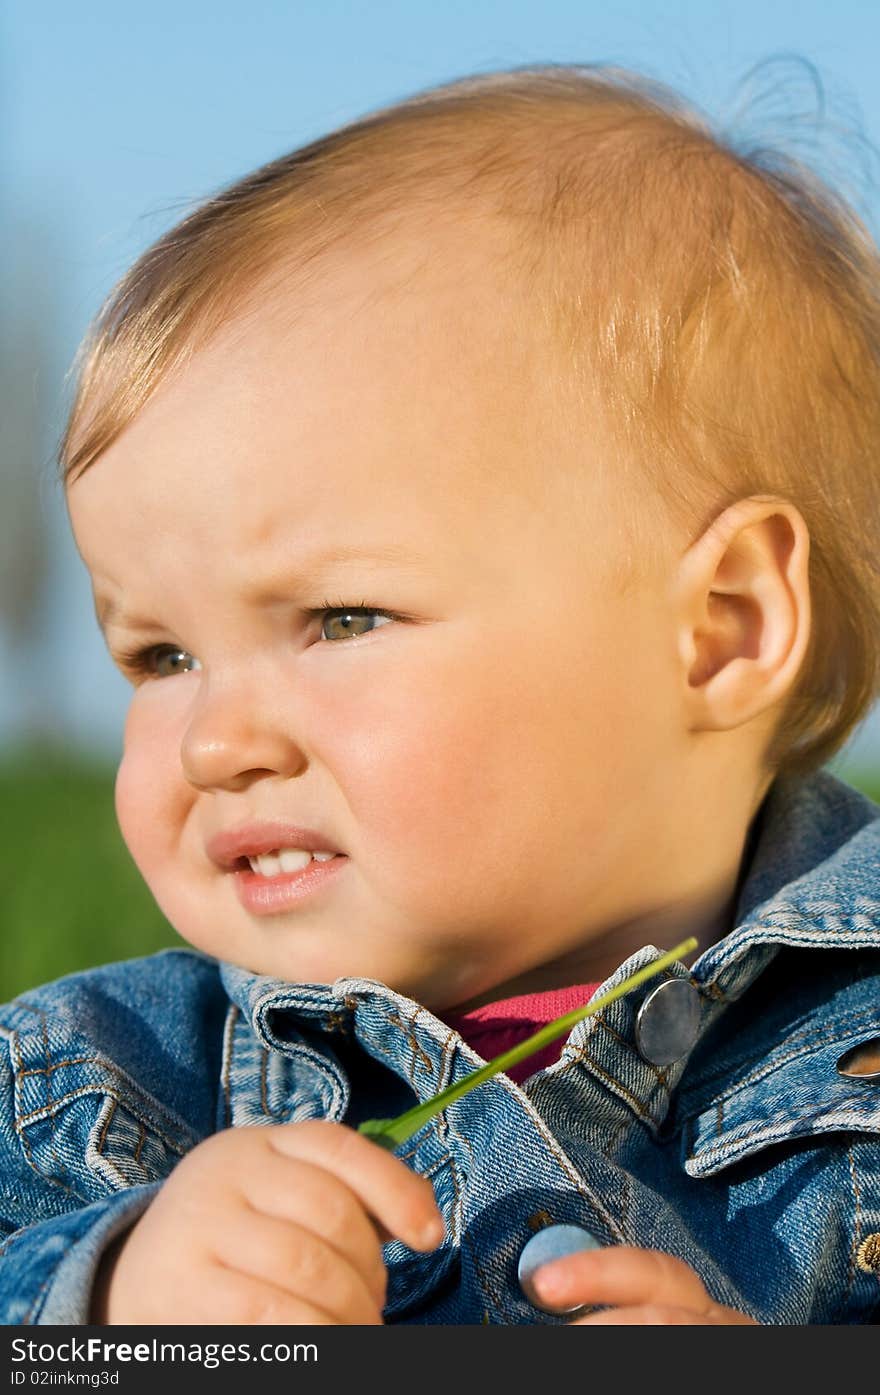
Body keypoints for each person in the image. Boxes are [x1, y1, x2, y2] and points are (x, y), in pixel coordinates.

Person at [2, 62, 879, 1327]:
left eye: (341, 619)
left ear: (718, 631)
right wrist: (104, 1308)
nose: (215, 743)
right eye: (160, 657)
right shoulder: (96, 1090)